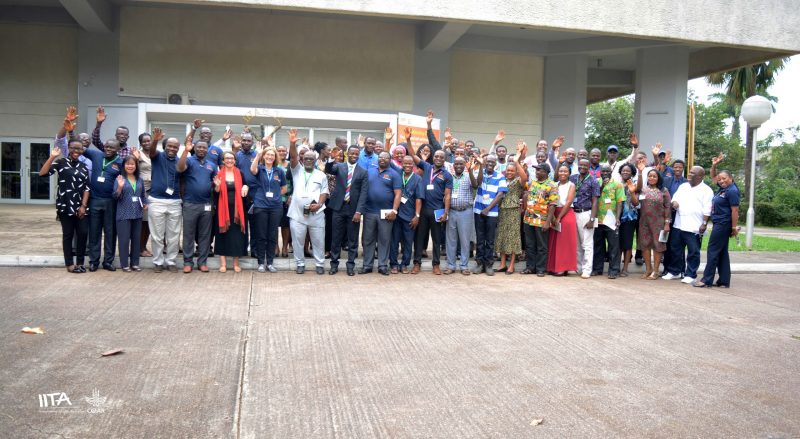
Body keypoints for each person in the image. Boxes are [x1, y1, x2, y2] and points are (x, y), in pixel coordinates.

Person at [408, 111, 453, 275]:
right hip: (423, 209)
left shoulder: (447, 175)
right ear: (433, 158)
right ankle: (417, 263)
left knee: (436, 238)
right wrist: (407, 140)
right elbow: (413, 155)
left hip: (437, 210)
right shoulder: (426, 167)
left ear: (444, 159)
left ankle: (435, 265)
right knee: (419, 238)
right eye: (437, 156)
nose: (439, 158)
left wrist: (446, 212)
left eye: (442, 156)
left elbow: (447, 195)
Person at [39, 140, 90, 273]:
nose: (76, 151)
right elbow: (42, 173)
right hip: (65, 205)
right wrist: (52, 156)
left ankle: (80, 262)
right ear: (68, 148)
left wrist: (83, 206)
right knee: (68, 234)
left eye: (79, 149)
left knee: (83, 233)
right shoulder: (60, 163)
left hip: (81, 206)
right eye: (73, 148)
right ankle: (69, 264)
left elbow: (87, 188)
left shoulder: (83, 167)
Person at [84, 115, 123, 272]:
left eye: (111, 148)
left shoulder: (121, 162)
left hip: (111, 202)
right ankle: (94, 261)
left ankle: (108, 261)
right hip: (94, 200)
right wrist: (98, 124)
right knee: (94, 232)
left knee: (110, 232)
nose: (107, 149)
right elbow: (79, 146)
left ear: (118, 150)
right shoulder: (96, 155)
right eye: (106, 146)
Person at [287, 129, 329, 274]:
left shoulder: (321, 175)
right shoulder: (297, 170)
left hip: (316, 213)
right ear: (302, 160)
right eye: (306, 159)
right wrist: (292, 144)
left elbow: (324, 191)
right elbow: (293, 157)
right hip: (297, 214)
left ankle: (319, 264)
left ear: (315, 160)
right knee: (297, 241)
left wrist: (320, 204)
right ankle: (300, 263)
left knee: (318, 241)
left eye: (311, 159)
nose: (309, 161)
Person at [177, 123, 218, 273]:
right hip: (190, 204)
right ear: (194, 148)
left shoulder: (212, 165)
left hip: (206, 205)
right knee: (188, 234)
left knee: (205, 235)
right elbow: (179, 168)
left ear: (207, 150)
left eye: (204, 148)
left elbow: (215, 184)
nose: (201, 149)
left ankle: (202, 262)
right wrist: (185, 152)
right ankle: (188, 262)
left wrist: (217, 186)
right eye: (199, 147)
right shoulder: (189, 160)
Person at [662, 166, 713, 284]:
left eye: (692, 173)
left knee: (693, 251)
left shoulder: (706, 190)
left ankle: (691, 274)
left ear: (700, 176)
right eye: (689, 172)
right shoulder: (683, 186)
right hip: (678, 224)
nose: (689, 175)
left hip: (694, 226)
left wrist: (704, 223)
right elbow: (674, 199)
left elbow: (707, 209)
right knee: (675, 249)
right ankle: (675, 272)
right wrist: (674, 203)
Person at [694, 155, 739, 288]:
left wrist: (734, 227)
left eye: (724, 178)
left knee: (712, 250)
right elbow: (714, 177)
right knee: (722, 252)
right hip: (720, 223)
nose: (721, 181)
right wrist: (714, 165)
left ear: (731, 178)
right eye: (720, 179)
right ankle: (724, 280)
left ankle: (706, 280)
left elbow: (735, 211)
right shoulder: (723, 188)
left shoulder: (732, 191)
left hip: (723, 224)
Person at [326, 145, 369, 276]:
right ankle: (334, 265)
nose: (354, 155)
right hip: (338, 207)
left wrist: (358, 212)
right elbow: (328, 170)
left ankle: (350, 265)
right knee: (336, 238)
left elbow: (363, 193)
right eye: (352, 153)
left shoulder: (363, 172)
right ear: (347, 154)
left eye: (356, 154)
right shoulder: (339, 166)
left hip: (353, 209)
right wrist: (331, 158)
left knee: (352, 239)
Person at [147, 127, 183, 273]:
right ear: (164, 146)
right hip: (156, 201)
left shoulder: (180, 161)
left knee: (174, 236)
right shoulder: (157, 156)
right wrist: (155, 139)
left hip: (175, 202)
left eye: (175, 147)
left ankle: (171, 261)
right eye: (170, 145)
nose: (172, 148)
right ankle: (158, 262)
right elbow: (151, 152)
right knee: (157, 235)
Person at [361, 152, 402, 275]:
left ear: (390, 160)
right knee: (368, 239)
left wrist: (394, 210)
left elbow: (398, 194)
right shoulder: (369, 171)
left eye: (386, 158)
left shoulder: (394, 174)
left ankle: (383, 265)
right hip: (369, 211)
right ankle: (367, 265)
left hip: (386, 213)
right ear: (377, 159)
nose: (382, 159)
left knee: (384, 240)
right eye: (380, 157)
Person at [249, 142, 288, 273]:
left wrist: (276, 196)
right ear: (264, 156)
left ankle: (270, 263)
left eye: (272, 155)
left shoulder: (279, 171)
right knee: (261, 235)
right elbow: (252, 170)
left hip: (276, 207)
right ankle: (261, 262)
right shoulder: (259, 168)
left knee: (272, 235)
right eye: (267, 155)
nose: (270, 157)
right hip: (261, 206)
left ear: (275, 157)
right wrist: (258, 154)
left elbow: (284, 188)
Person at [470, 154, 507, 275]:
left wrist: (488, 208)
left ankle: (488, 264)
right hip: (478, 211)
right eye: (488, 162)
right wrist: (481, 166)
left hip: (492, 213)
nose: (490, 164)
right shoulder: (480, 172)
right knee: (480, 239)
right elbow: (477, 183)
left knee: (490, 240)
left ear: (495, 164)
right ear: (485, 162)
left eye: (492, 162)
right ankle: (479, 263)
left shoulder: (500, 176)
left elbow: (501, 194)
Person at [214, 152, 248, 273]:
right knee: (222, 235)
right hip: (223, 210)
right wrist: (217, 187)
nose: (229, 160)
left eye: (231, 158)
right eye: (227, 158)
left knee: (236, 237)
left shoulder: (240, 173)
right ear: (223, 160)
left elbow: (245, 185)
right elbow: (215, 193)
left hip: (237, 211)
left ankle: (236, 263)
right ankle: (223, 264)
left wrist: (246, 187)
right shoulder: (219, 174)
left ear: (235, 160)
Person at [522, 163, 558, 276]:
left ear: (546, 172)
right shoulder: (532, 183)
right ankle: (530, 267)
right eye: (536, 170)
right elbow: (525, 191)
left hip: (542, 220)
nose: (537, 172)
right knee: (530, 245)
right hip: (529, 219)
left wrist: (548, 222)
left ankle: (541, 269)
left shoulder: (551, 185)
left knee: (542, 246)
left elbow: (553, 204)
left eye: (539, 170)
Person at [637, 167, 672, 280]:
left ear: (658, 178)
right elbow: (636, 202)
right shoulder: (643, 190)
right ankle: (648, 269)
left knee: (658, 246)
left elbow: (668, 208)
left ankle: (656, 271)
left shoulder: (663, 191)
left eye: (654, 176)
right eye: (650, 176)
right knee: (645, 245)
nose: (651, 178)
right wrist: (640, 172)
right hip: (644, 222)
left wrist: (667, 223)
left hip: (659, 223)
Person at [113, 156, 148, 272]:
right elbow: (115, 196)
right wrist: (120, 187)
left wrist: (145, 203)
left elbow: (143, 195)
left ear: (136, 166)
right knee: (124, 240)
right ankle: (124, 264)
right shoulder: (120, 178)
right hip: (123, 214)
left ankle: (135, 263)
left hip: (137, 213)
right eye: (127, 164)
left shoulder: (139, 179)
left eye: (132, 164)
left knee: (136, 239)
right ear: (123, 165)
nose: (130, 166)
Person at [390, 155, 423, 274]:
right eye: (405, 163)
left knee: (408, 242)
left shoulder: (418, 179)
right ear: (401, 164)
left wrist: (417, 216)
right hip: (396, 214)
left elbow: (419, 198)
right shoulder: (397, 174)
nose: (407, 166)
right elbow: (387, 159)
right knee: (394, 241)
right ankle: (393, 264)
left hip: (409, 216)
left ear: (413, 165)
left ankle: (404, 264)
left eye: (410, 164)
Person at [496, 155, 528, 275]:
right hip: (502, 210)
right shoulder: (502, 180)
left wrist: (516, 161)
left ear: (515, 172)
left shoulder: (518, 181)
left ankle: (511, 265)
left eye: (512, 170)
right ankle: (503, 264)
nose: (509, 172)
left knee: (514, 237)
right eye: (508, 170)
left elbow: (524, 177)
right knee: (502, 236)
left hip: (514, 210)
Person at [591, 165, 625, 278]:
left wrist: (618, 218)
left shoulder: (617, 184)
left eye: (607, 171)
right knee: (598, 245)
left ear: (611, 172)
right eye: (603, 171)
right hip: (598, 219)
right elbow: (595, 196)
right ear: (600, 172)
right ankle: (597, 269)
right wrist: (602, 186)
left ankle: (614, 270)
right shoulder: (596, 182)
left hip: (611, 220)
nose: (605, 173)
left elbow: (620, 202)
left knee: (613, 246)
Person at [569, 159, 600, 279]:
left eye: (585, 165)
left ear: (589, 167)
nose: (582, 167)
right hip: (573, 213)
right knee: (576, 243)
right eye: (580, 164)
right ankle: (578, 267)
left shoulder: (593, 181)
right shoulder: (573, 178)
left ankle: (587, 269)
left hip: (586, 214)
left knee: (586, 243)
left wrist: (592, 219)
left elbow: (595, 201)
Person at [443, 157, 473, 275]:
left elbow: (476, 184)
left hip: (465, 212)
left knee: (465, 240)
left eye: (461, 163)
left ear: (465, 165)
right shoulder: (449, 177)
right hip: (451, 211)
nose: (459, 166)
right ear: (453, 165)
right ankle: (451, 265)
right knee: (451, 240)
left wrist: (470, 171)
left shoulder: (468, 177)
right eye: (456, 164)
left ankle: (464, 266)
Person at [546, 163, 577, 276]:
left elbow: (568, 202)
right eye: (561, 171)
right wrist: (552, 216)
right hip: (554, 212)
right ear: (557, 172)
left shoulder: (571, 185)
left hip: (566, 213)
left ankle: (563, 267)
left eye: (565, 171)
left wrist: (558, 217)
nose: (563, 173)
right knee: (553, 241)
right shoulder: (554, 185)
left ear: (569, 173)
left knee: (564, 242)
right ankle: (552, 266)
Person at [232, 132, 259, 257]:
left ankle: (254, 250)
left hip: (255, 194)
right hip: (240, 194)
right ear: (241, 141)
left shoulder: (257, 155)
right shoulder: (236, 155)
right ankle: (242, 249)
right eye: (244, 140)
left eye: (249, 141)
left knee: (254, 224)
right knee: (242, 223)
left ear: (252, 142)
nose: (246, 143)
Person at [618, 163, 639, 277]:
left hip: (629, 218)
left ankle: (625, 268)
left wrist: (631, 191)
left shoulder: (634, 185)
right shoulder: (617, 184)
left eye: (628, 171)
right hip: (617, 217)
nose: (625, 172)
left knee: (627, 244)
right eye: (623, 171)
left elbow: (636, 203)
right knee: (618, 244)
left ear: (632, 173)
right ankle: (616, 266)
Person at [137, 132, 153, 258]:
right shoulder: (138, 154)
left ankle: (143, 247)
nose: (147, 143)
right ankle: (140, 248)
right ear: (141, 143)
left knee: (148, 222)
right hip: (142, 191)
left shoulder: (154, 153)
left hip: (154, 191)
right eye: (144, 141)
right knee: (143, 222)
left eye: (149, 140)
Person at [276, 144, 293, 258]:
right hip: (274, 199)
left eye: (284, 151)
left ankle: (285, 247)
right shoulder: (273, 164)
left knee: (286, 225)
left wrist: (292, 195)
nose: (282, 152)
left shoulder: (291, 165)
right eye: (279, 150)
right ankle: (276, 247)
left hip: (287, 199)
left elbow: (295, 182)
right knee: (274, 225)